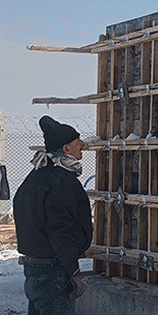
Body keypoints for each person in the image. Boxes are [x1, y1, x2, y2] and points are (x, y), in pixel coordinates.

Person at [14, 116, 92, 315]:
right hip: (54, 272)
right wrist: (73, 271)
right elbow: (59, 229)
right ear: (66, 149)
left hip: (36, 269)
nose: (82, 144)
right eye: (78, 141)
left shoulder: (36, 176)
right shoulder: (62, 180)